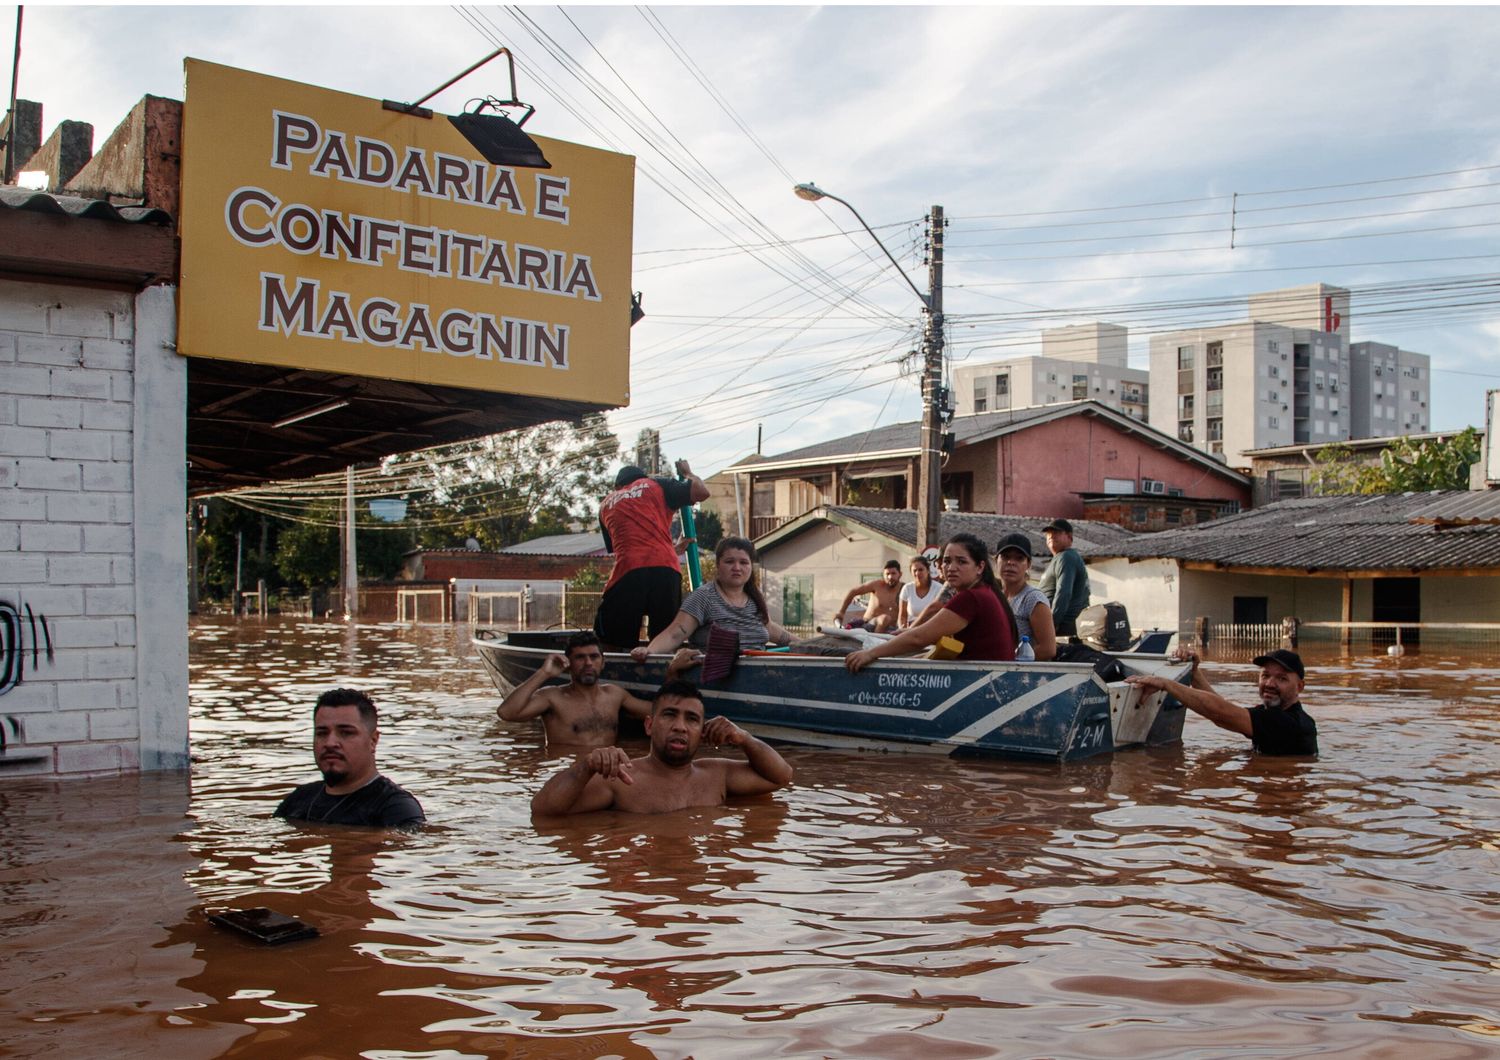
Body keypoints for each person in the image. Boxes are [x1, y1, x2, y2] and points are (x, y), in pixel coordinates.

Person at [530, 679, 795, 815]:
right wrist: (586, 766)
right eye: (670, 715)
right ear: (649, 725)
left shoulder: (717, 775)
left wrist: (744, 738)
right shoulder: (621, 779)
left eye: (691, 719)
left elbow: (782, 776)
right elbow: (543, 810)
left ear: (702, 731)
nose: (680, 726)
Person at [844, 533, 1018, 673]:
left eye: (961, 561)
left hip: (983, 682)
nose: (951, 568)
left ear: (980, 567)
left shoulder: (971, 597)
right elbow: (943, 647)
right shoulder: (985, 592)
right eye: (947, 561)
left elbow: (918, 638)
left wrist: (870, 654)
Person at [594, 460, 710, 649]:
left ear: (617, 486)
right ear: (642, 478)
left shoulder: (606, 504)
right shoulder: (656, 485)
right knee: (664, 636)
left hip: (628, 570)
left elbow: (632, 547)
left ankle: (614, 668)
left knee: (612, 637)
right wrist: (688, 472)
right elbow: (701, 492)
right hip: (666, 568)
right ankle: (661, 669)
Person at [275, 688, 425, 828]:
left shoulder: (397, 809)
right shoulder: (299, 799)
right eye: (322, 733)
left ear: (373, 741)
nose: (330, 743)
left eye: (346, 733)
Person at [1125, 648, 1318, 756]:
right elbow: (1224, 711)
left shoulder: (1289, 723)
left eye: (1282, 679)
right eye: (1265, 675)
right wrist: (1194, 673)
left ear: (1300, 687)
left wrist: (1166, 684)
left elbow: (1220, 712)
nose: (1269, 684)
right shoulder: (1274, 717)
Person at [630, 537, 797, 660]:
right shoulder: (704, 597)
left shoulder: (755, 600)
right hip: (714, 681)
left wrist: (816, 646)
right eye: (730, 561)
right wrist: (648, 652)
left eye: (744, 563)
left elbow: (779, 635)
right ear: (718, 565)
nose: (737, 568)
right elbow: (674, 634)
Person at [497, 631, 652, 747]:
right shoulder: (552, 697)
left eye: (594, 657)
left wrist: (674, 670)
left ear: (603, 662)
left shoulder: (615, 694)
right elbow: (507, 713)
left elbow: (657, 712)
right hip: (567, 773)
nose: (588, 663)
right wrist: (544, 673)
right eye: (580, 657)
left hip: (604, 776)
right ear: (568, 663)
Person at [995, 532, 1056, 661]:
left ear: (1028, 565)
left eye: (1019, 558)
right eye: (1005, 557)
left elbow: (1048, 649)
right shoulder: (994, 597)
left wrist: (1009, 659)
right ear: (996, 561)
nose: (1011, 562)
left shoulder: (1033, 599)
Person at [1038, 518, 1091, 636]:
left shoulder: (1066, 557)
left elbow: (1064, 593)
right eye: (1048, 534)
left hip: (1064, 628)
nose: (1051, 536)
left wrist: (1050, 625)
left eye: (1056, 533)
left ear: (1069, 537)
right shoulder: (1059, 558)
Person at [835, 560, 904, 631]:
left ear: (900, 574)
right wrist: (841, 612)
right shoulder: (876, 585)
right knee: (885, 618)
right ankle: (876, 641)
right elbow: (853, 592)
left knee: (887, 620)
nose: (890, 577)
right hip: (869, 625)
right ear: (883, 575)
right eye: (887, 574)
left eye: (893, 573)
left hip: (891, 630)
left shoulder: (905, 589)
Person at [896, 555, 944, 629]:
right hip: (910, 629)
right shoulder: (907, 588)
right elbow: (902, 615)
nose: (917, 573)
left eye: (921, 570)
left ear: (928, 570)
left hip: (931, 629)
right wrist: (902, 629)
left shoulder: (939, 588)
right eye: (914, 570)